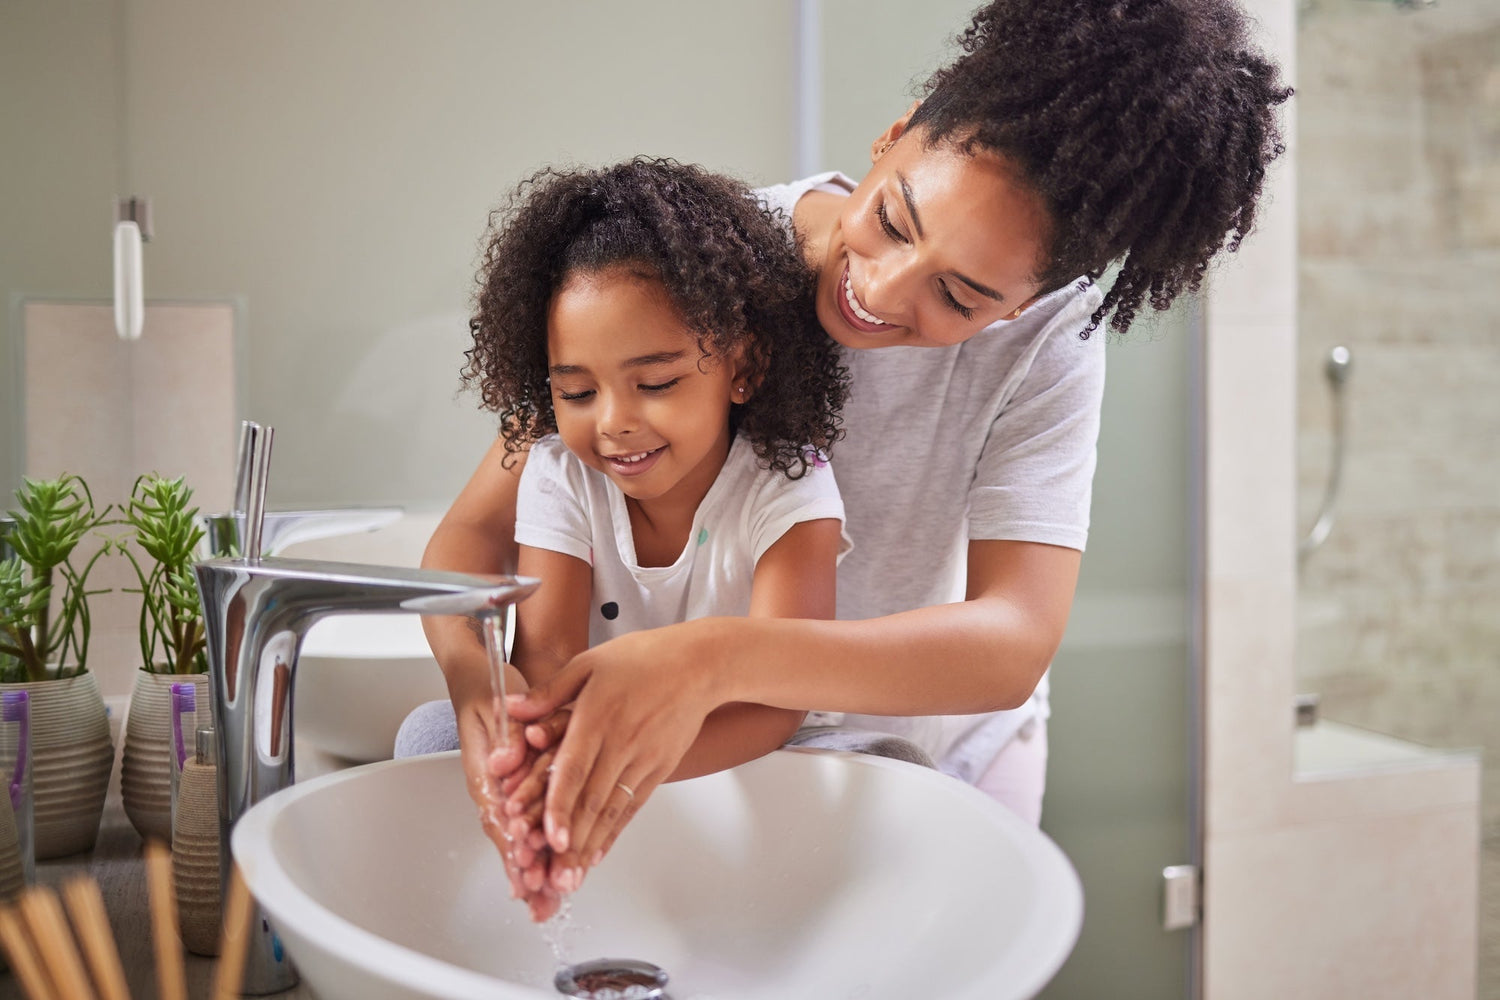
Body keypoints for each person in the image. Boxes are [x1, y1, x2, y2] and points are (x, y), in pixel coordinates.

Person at [419, 0, 1291, 912]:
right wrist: (478, 681)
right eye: (894, 220)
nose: (877, 290)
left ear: (1025, 303)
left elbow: (1012, 642)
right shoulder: (702, 262)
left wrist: (715, 658)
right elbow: (474, 535)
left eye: (959, 296)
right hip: (707, 746)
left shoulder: (1046, 345)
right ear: (891, 139)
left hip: (932, 757)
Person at [413, 158, 852, 918]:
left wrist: (617, 770)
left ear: (741, 367)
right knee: (425, 738)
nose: (613, 421)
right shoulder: (561, 473)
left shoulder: (789, 486)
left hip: (755, 752)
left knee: (892, 767)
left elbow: (780, 703)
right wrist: (536, 767)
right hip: (598, 736)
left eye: (655, 383)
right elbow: (545, 659)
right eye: (576, 392)